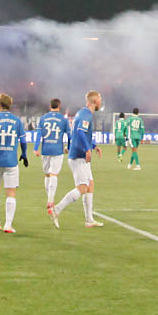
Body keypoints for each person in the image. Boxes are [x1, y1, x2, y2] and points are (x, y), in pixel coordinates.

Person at [50, 89, 103, 228]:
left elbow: (79, 134)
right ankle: (57, 209)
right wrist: (87, 149)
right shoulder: (86, 114)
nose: (101, 102)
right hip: (79, 156)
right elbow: (80, 132)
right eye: (100, 100)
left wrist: (93, 146)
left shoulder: (82, 113)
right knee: (82, 187)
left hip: (78, 154)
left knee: (90, 185)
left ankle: (89, 220)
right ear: (95, 101)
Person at [0, 93, 27, 233]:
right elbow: (23, 140)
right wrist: (24, 154)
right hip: (11, 161)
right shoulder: (17, 121)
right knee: (11, 192)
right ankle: (8, 225)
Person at [37, 98, 69, 206]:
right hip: (57, 149)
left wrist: (36, 148)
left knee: (47, 175)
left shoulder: (43, 118)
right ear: (59, 106)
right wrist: (68, 147)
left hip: (45, 149)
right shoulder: (63, 119)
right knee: (53, 174)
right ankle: (50, 200)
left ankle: (49, 198)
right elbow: (70, 136)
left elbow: (38, 135)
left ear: (50, 106)